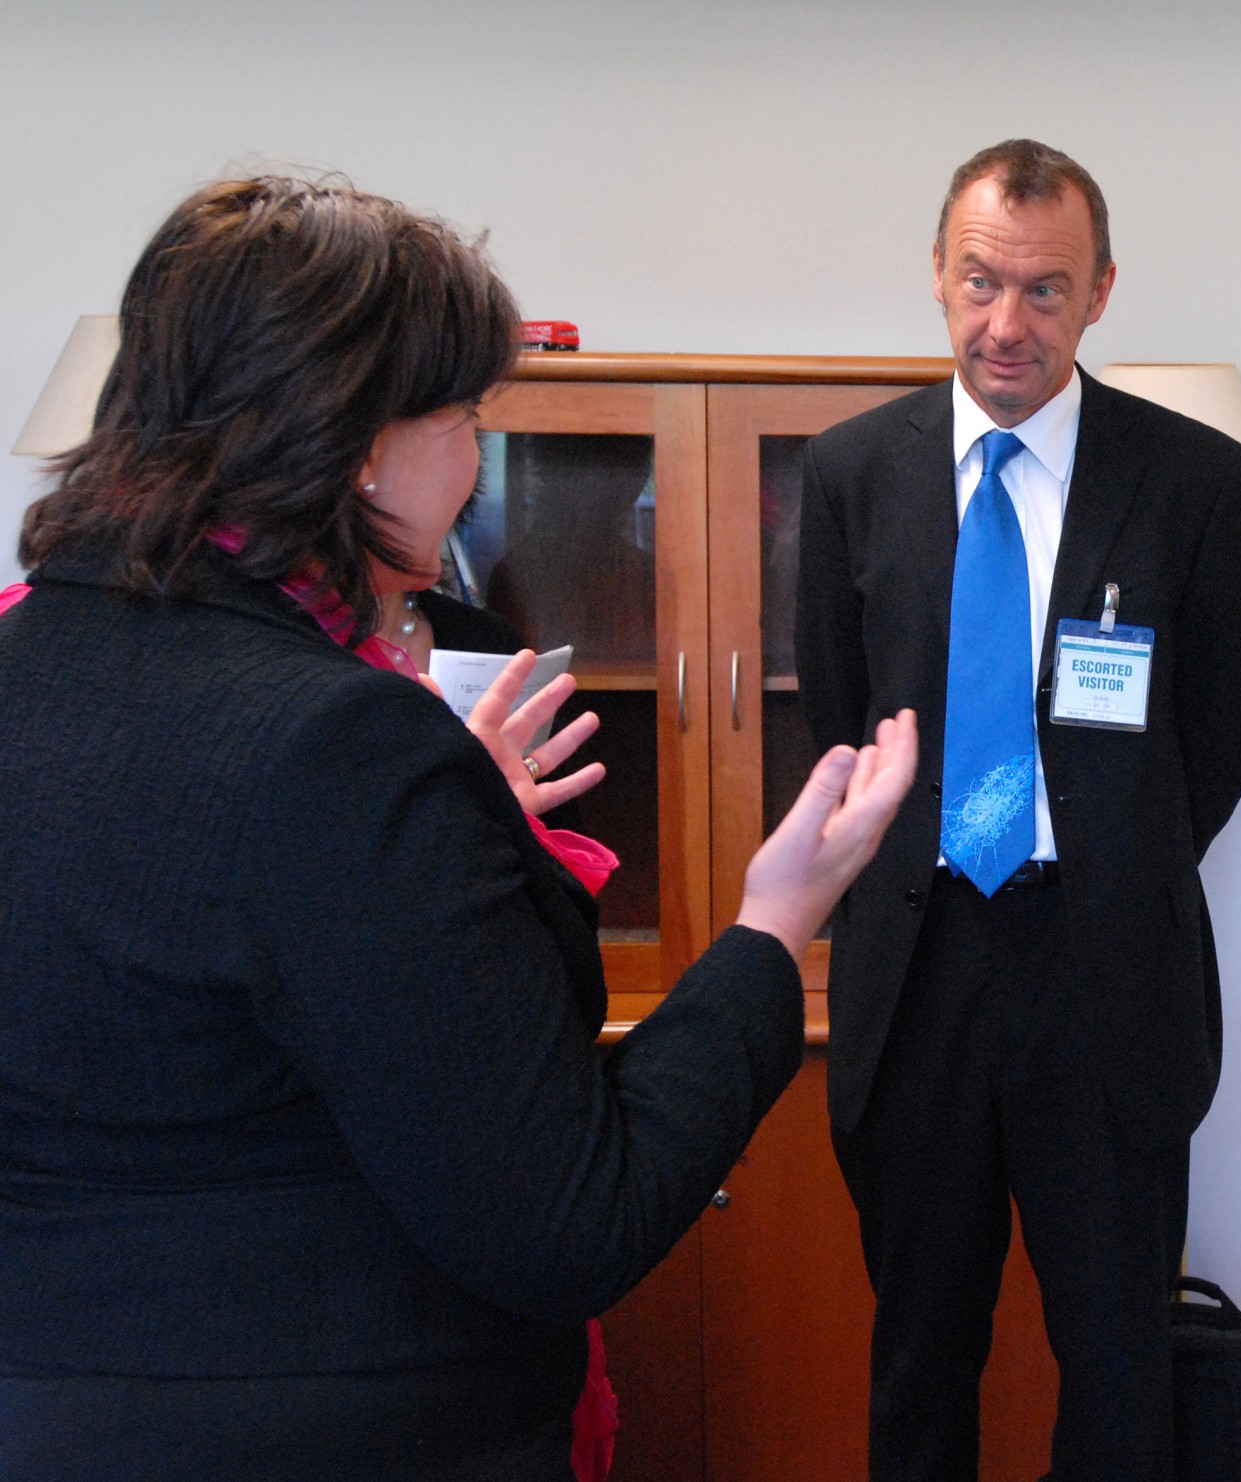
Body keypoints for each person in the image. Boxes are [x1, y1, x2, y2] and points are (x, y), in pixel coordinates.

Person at [0, 176, 917, 1480]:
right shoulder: (342, 749)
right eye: (464, 415)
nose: (476, 461)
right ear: (361, 442)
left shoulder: (32, 658)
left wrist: (443, 829)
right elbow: (569, 1218)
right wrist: (776, 922)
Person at [796, 138, 1241, 1478]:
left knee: (1119, 1367)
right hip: (920, 963)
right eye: (979, 283)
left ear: (1103, 290)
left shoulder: (1190, 480)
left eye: (1047, 291)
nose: (1007, 324)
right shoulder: (850, 474)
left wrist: (1118, 853)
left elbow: (1224, 724)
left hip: (1105, 973)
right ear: (938, 278)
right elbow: (843, 719)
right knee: (919, 1358)